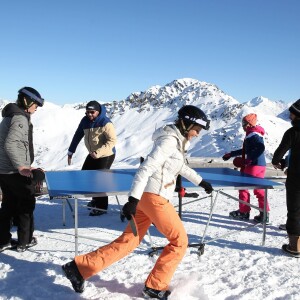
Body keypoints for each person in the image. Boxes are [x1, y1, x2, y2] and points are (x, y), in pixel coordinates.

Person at [62, 105, 213, 299]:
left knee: (128, 241)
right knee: (179, 242)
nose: (196, 134)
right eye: (196, 130)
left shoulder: (175, 141)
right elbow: (145, 169)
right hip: (154, 199)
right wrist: (132, 200)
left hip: (148, 198)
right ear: (186, 124)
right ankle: (154, 287)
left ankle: (79, 268)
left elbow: (180, 166)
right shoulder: (168, 141)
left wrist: (201, 181)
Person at [0, 87, 45, 252]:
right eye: (36, 105)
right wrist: (22, 167)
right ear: (27, 101)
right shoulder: (20, 118)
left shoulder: (11, 115)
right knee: (26, 204)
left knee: (8, 205)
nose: (36, 108)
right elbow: (11, 144)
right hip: (14, 171)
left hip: (4, 170)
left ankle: (3, 240)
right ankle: (24, 241)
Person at [67, 101, 117, 216]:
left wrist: (98, 152)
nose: (89, 114)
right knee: (86, 175)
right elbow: (78, 134)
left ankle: (101, 207)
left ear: (98, 112)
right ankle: (96, 199)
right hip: (93, 153)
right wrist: (71, 151)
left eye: (92, 112)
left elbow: (112, 141)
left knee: (100, 179)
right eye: (87, 112)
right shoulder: (85, 121)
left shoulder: (105, 122)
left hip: (106, 154)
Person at [222, 113, 270, 223]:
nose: (242, 126)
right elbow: (247, 150)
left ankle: (244, 212)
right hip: (261, 165)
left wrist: (250, 159)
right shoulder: (255, 133)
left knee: (243, 187)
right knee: (259, 189)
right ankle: (264, 214)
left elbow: (260, 147)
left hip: (253, 165)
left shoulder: (252, 134)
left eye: (243, 124)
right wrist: (231, 154)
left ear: (248, 124)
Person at [272, 99, 300, 257]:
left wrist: (279, 163)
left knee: (295, 210)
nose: (289, 115)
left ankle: (295, 247)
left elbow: (278, 155)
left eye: (292, 113)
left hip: (296, 177)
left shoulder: (293, 132)